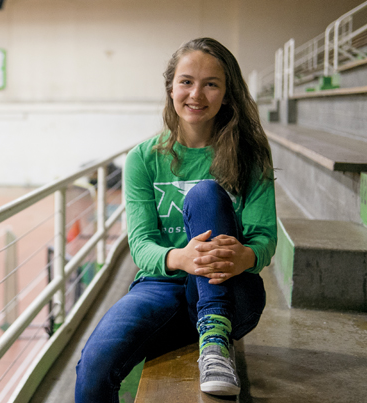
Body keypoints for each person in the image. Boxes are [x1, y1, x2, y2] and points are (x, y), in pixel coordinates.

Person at [75, 37, 277, 401]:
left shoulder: (251, 155)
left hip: (232, 288)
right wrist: (181, 257)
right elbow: (141, 245)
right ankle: (207, 334)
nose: (196, 94)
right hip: (162, 287)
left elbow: (264, 238)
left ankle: (214, 336)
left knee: (204, 194)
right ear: (170, 88)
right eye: (186, 81)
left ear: (228, 94)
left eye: (211, 83)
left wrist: (244, 256)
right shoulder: (144, 158)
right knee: (93, 367)